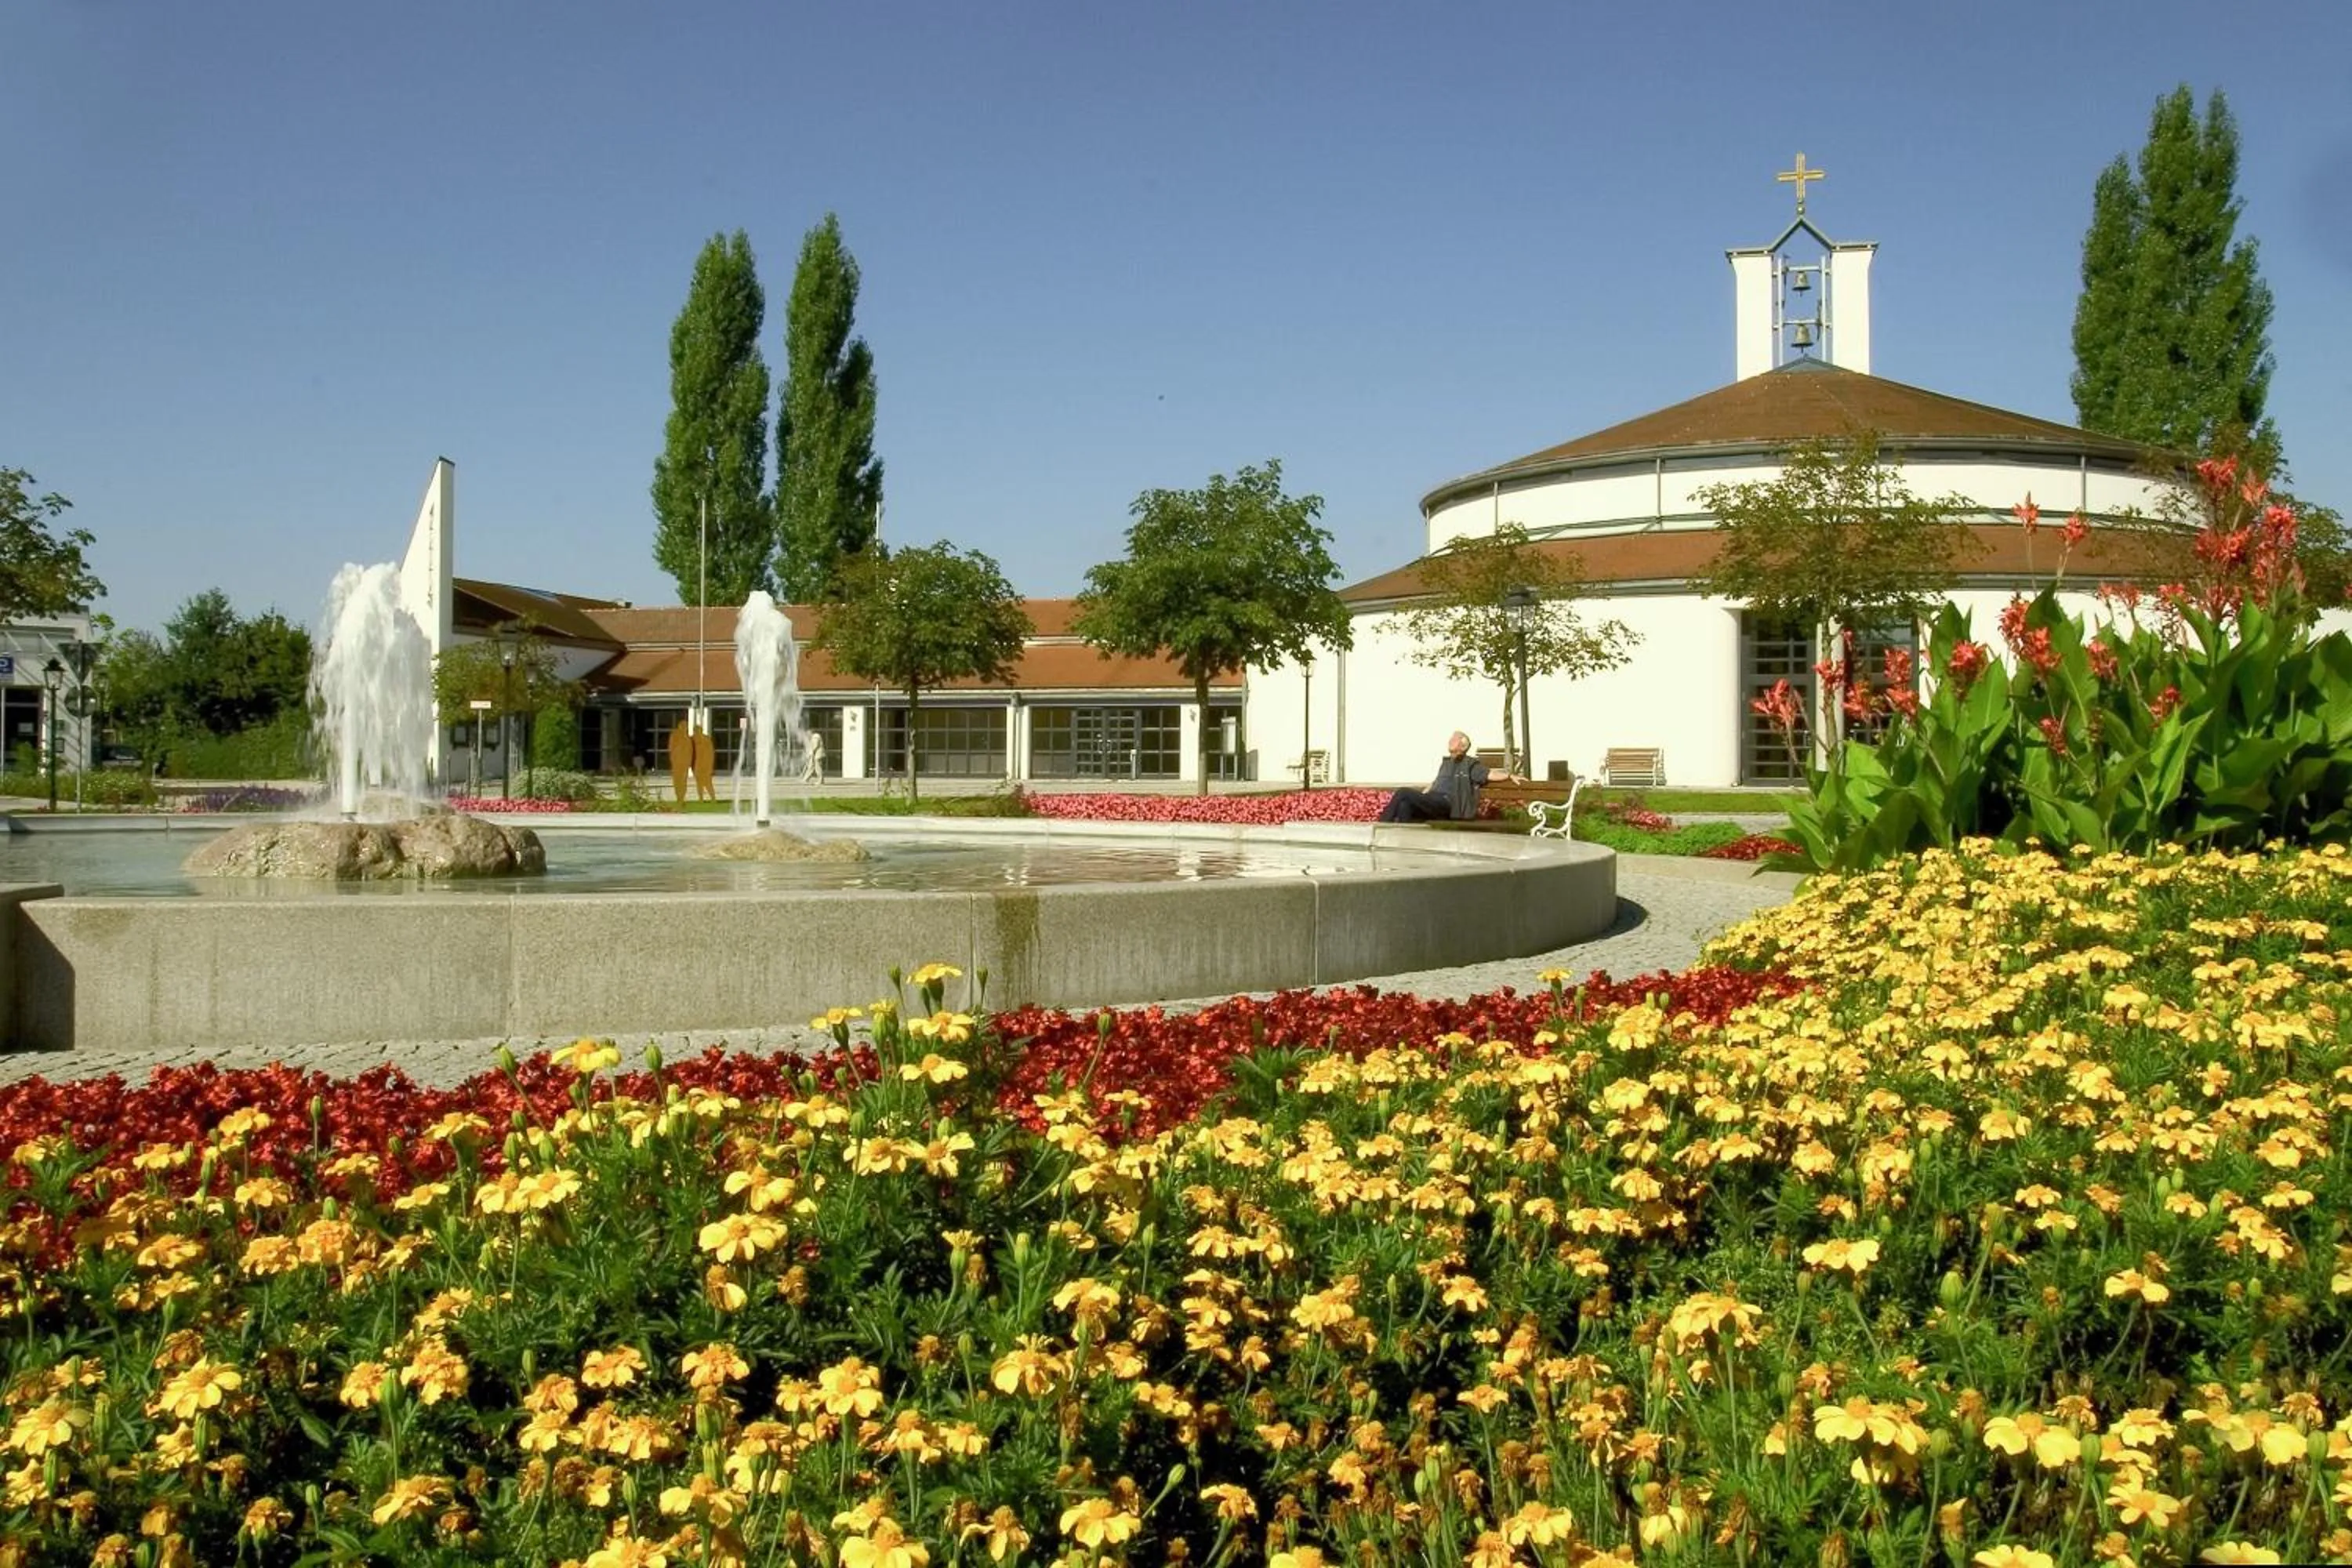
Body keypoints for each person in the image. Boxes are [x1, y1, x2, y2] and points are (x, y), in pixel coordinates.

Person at [1377, 731, 1515, 822]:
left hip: (1447, 804)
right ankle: (1403, 840)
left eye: (1454, 740)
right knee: (1404, 805)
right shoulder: (1446, 763)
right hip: (1433, 800)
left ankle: (1381, 825)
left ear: (1463, 746)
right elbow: (1437, 781)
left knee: (1403, 792)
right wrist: (1423, 794)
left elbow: (1490, 774)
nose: (1450, 741)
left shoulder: (1469, 765)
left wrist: (1509, 775)